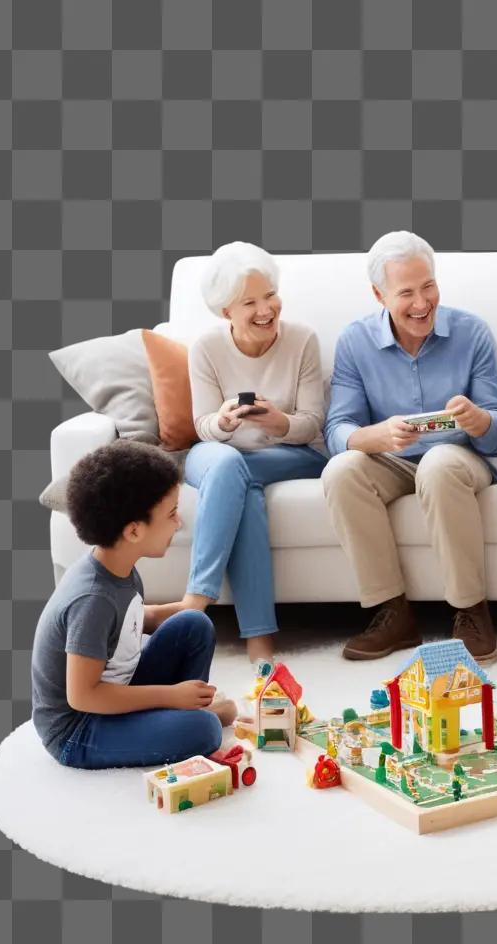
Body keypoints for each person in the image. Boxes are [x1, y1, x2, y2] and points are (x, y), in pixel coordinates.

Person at [322, 231, 497, 663]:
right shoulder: (354, 341)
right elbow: (338, 430)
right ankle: (392, 614)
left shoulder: (471, 333)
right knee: (341, 471)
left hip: (459, 459)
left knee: (440, 463)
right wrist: (379, 435)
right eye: (406, 292)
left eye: (428, 286)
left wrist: (478, 419)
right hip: (389, 461)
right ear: (379, 294)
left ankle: (470, 610)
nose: (422, 303)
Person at [31, 441, 236, 770]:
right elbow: (83, 696)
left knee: (194, 624)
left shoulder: (118, 568)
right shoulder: (93, 599)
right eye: (171, 515)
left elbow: (136, 619)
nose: (179, 523)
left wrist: (191, 604)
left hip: (117, 690)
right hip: (78, 729)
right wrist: (170, 696)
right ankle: (188, 717)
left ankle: (179, 715)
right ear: (134, 531)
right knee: (207, 729)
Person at [178, 241, 327, 663]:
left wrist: (277, 421)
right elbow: (202, 425)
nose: (266, 309)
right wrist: (225, 422)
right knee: (232, 471)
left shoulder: (302, 340)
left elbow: (313, 424)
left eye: (270, 296)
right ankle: (258, 638)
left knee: (239, 477)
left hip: (290, 453)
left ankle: (194, 605)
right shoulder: (206, 348)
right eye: (250, 302)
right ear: (226, 311)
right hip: (219, 453)